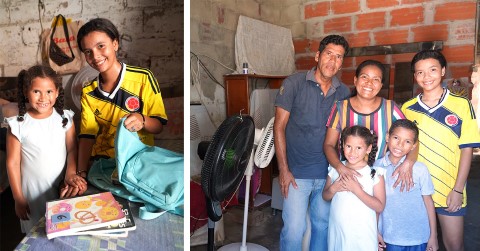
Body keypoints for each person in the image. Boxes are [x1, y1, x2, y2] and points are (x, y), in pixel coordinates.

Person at [72, 18, 167, 196]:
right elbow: (87, 137)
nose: (95, 56)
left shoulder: (143, 79)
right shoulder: (88, 91)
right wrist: (81, 173)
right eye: (88, 51)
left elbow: (159, 126)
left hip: (137, 162)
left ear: (115, 44)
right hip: (102, 164)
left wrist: (143, 120)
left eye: (101, 46)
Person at [274, 34, 351, 250]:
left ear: (341, 62)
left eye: (338, 57)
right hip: (297, 174)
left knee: (323, 226)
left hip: (327, 174)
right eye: (328, 54)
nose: (332, 61)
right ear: (318, 56)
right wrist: (283, 170)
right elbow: (278, 127)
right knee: (294, 230)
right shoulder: (294, 83)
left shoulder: (343, 92)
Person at [402, 50, 480, 251]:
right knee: (421, 245)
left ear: (443, 71)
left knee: (454, 245)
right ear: (415, 76)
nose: (426, 77)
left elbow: (467, 149)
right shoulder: (407, 109)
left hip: (449, 190)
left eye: (432, 70)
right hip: (417, 190)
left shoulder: (461, 105)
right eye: (420, 72)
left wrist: (457, 189)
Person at [5, 65, 84, 233]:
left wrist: (71, 173)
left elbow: (72, 149)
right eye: (36, 91)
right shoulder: (18, 124)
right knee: (37, 233)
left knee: (62, 228)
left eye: (49, 91)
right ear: (26, 92)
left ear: (56, 92)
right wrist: (18, 198)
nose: (43, 97)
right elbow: (12, 163)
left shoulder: (65, 119)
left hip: (61, 187)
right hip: (32, 193)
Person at [324, 59, 415, 191]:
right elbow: (328, 145)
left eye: (376, 79)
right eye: (364, 77)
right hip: (346, 178)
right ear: (355, 80)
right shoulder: (340, 108)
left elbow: (412, 139)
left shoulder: (390, 108)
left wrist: (408, 163)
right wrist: (341, 168)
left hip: (380, 180)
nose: (369, 83)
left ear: (381, 85)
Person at [375, 119, 438, 251]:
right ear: (387, 137)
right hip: (389, 237)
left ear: (414, 146)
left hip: (419, 237)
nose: (400, 144)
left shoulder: (420, 169)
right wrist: (374, 231)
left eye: (407, 141)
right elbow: (374, 204)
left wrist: (434, 236)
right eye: (396, 138)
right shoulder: (376, 167)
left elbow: (428, 202)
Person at [322, 125, 386, 251]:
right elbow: (325, 196)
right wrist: (334, 188)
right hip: (338, 232)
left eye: (358, 148)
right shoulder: (336, 169)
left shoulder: (374, 174)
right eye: (348, 146)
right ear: (342, 146)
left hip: (363, 235)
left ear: (368, 149)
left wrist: (356, 189)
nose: (352, 152)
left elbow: (379, 206)